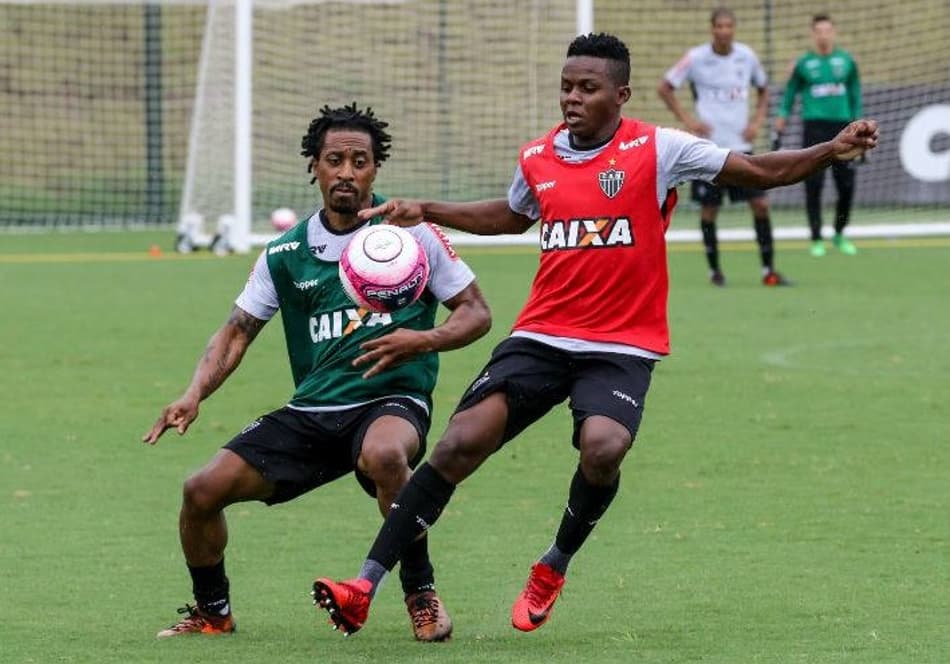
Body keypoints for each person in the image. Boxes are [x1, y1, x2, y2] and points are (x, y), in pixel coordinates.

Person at [311, 34, 878, 637]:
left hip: (622, 342)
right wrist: (429, 208)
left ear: (621, 94)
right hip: (542, 333)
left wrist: (829, 150)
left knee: (604, 448)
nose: (572, 99)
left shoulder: (659, 149)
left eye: (587, 88)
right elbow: (513, 216)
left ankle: (553, 565)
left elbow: (758, 170)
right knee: (457, 444)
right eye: (566, 87)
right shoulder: (538, 156)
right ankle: (364, 585)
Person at [143, 103, 491, 643]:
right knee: (201, 490)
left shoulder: (410, 235)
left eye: (360, 161)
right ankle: (213, 612)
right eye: (335, 160)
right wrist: (194, 394)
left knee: (385, 455)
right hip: (313, 410)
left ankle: (420, 593)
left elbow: (476, 312)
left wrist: (421, 341)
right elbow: (236, 331)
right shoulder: (285, 253)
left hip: (391, 401)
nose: (347, 172)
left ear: (375, 169)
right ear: (315, 167)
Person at [658, 7, 789, 287]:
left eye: (729, 26)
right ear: (712, 29)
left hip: (742, 148)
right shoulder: (696, 58)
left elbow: (764, 88)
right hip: (707, 150)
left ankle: (768, 270)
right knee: (709, 211)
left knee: (760, 205)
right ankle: (715, 271)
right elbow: (665, 87)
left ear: (734, 29)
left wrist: (757, 121)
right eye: (719, 26)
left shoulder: (747, 56)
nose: (724, 31)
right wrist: (688, 121)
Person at [775, 13, 863, 257]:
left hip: (843, 128)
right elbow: (790, 94)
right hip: (814, 128)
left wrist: (859, 122)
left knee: (846, 185)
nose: (823, 35)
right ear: (813, 35)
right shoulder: (803, 63)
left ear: (834, 33)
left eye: (827, 31)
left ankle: (839, 233)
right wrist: (782, 117)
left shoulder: (847, 61)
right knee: (814, 184)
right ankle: (815, 237)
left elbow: (855, 93)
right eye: (819, 31)